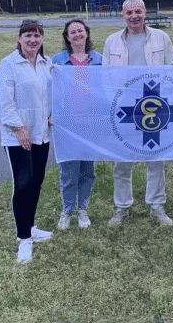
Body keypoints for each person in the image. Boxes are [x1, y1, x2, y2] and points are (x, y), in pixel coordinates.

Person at [102, 0, 173, 226]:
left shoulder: (161, 38)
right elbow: (105, 77)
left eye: (138, 11)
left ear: (145, 12)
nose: (134, 16)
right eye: (129, 12)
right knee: (122, 161)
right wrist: (113, 104)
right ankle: (122, 207)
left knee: (156, 160)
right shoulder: (112, 41)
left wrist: (166, 101)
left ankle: (156, 207)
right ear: (123, 15)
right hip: (124, 109)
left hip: (154, 106)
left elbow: (172, 71)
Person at [0, 19, 54, 263]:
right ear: (19, 38)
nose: (33, 40)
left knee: (37, 182)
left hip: (41, 134)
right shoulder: (8, 65)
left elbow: (50, 94)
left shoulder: (46, 63)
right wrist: (19, 128)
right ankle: (24, 239)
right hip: (18, 137)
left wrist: (51, 114)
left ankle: (30, 226)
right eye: (28, 35)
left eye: (37, 35)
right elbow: (4, 103)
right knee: (23, 184)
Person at [52, 18, 102, 230]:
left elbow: (106, 88)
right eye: (72, 32)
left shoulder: (99, 59)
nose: (77, 35)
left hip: (91, 121)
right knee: (68, 169)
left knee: (87, 170)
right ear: (67, 37)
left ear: (87, 33)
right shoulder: (58, 59)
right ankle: (67, 210)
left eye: (80, 31)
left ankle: (82, 209)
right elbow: (50, 89)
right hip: (67, 122)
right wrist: (51, 113)